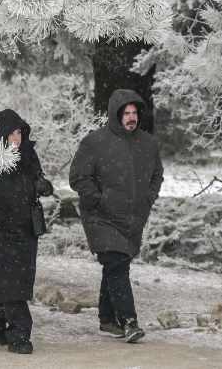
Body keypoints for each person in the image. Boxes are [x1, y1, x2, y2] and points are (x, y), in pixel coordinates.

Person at [69, 88, 163, 343]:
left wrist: (147, 199)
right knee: (117, 264)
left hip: (133, 218)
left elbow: (157, 175)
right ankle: (129, 321)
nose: (132, 117)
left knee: (115, 265)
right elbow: (78, 177)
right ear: (115, 114)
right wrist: (99, 199)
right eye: (126, 113)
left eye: (135, 113)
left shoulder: (148, 144)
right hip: (101, 218)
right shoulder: (95, 142)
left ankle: (107, 319)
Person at [0, 108, 55, 354]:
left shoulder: (27, 154)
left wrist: (43, 186)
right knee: (10, 281)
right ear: (0, 135)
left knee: (21, 282)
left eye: (19, 132)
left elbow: (36, 180)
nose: (17, 138)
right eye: (12, 133)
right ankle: (20, 336)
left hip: (25, 229)